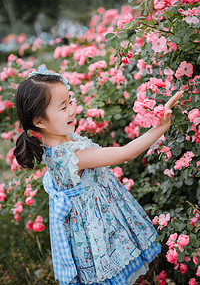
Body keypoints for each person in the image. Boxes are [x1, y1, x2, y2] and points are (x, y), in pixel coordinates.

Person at [14, 66, 183, 285]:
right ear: (39, 121)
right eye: (63, 107)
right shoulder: (71, 156)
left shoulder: (54, 142)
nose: (73, 110)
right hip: (99, 228)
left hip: (91, 221)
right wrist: (161, 127)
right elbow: (125, 153)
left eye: (70, 102)